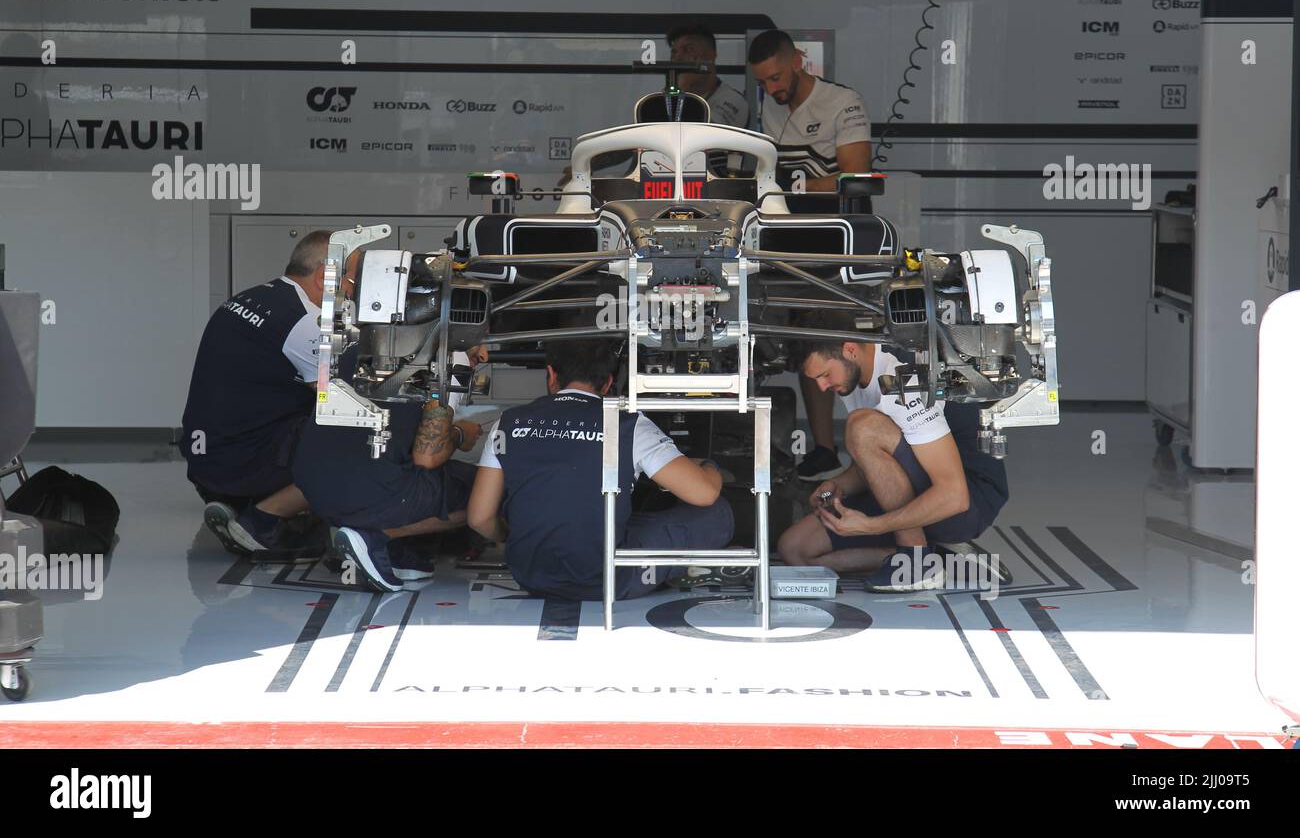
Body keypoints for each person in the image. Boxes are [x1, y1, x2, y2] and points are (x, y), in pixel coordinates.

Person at [466, 339, 733, 601]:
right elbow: (705, 494)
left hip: (530, 575)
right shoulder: (628, 424)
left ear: (551, 375)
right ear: (607, 383)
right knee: (717, 514)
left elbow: (479, 518)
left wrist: (518, 538)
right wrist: (709, 465)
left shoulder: (508, 422)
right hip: (607, 579)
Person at [777, 325, 1009, 592]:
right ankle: (939, 557)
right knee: (795, 548)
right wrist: (839, 483)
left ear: (850, 350)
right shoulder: (852, 377)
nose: (822, 386)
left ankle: (917, 562)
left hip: (965, 503)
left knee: (863, 426)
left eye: (825, 375)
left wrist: (870, 526)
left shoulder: (901, 375)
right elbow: (878, 460)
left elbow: (955, 496)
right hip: (919, 490)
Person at [748, 28, 874, 482]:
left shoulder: (844, 102)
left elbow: (855, 174)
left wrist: (788, 187)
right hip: (789, 243)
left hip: (840, 244)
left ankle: (871, 444)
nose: (772, 89)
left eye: (777, 78)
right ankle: (823, 448)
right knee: (807, 348)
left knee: (847, 347)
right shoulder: (769, 104)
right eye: (763, 82)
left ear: (798, 61)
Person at [181, 230, 354, 554]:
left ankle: (246, 502)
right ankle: (263, 520)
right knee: (357, 434)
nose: (353, 292)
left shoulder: (248, 298)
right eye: (352, 282)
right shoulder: (307, 323)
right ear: (323, 277)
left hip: (206, 467)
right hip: (241, 468)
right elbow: (348, 402)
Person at [286, 392, 485, 592]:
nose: (482, 358)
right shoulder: (449, 364)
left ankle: (387, 548)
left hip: (313, 489)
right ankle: (375, 537)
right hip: (368, 491)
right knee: (482, 491)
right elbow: (428, 458)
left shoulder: (342, 360)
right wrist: (459, 433)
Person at [667, 23, 750, 130]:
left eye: (688, 49)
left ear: (711, 55)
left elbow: (709, 133)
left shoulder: (733, 99)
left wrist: (683, 90)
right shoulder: (669, 95)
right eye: (674, 52)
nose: (678, 57)